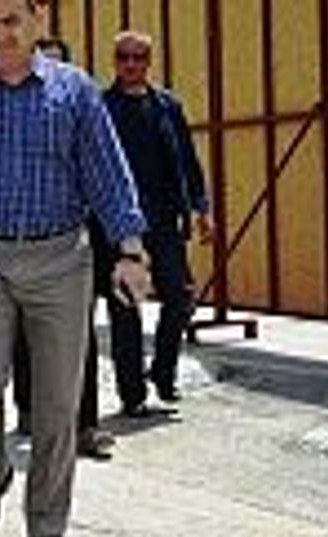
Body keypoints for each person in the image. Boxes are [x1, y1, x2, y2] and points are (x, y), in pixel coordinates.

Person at [0, 0, 151, 537]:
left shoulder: (74, 92)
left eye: (11, 21)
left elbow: (107, 174)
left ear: (38, 19)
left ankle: (47, 526)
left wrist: (130, 249)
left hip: (61, 261)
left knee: (56, 403)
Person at [9, 36, 115, 461]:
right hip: (16, 243)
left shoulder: (81, 108)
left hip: (72, 241)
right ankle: (28, 408)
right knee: (23, 332)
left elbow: (105, 173)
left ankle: (85, 425)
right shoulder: (6, 113)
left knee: (78, 335)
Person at [103, 30, 213, 416]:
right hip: (119, 224)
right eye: (124, 57)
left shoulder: (167, 106)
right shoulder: (101, 107)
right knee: (125, 307)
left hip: (164, 219)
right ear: (115, 61)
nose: (131, 64)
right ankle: (132, 395)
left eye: (139, 58)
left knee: (181, 297)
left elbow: (187, 160)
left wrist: (201, 208)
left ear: (149, 62)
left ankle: (163, 373)